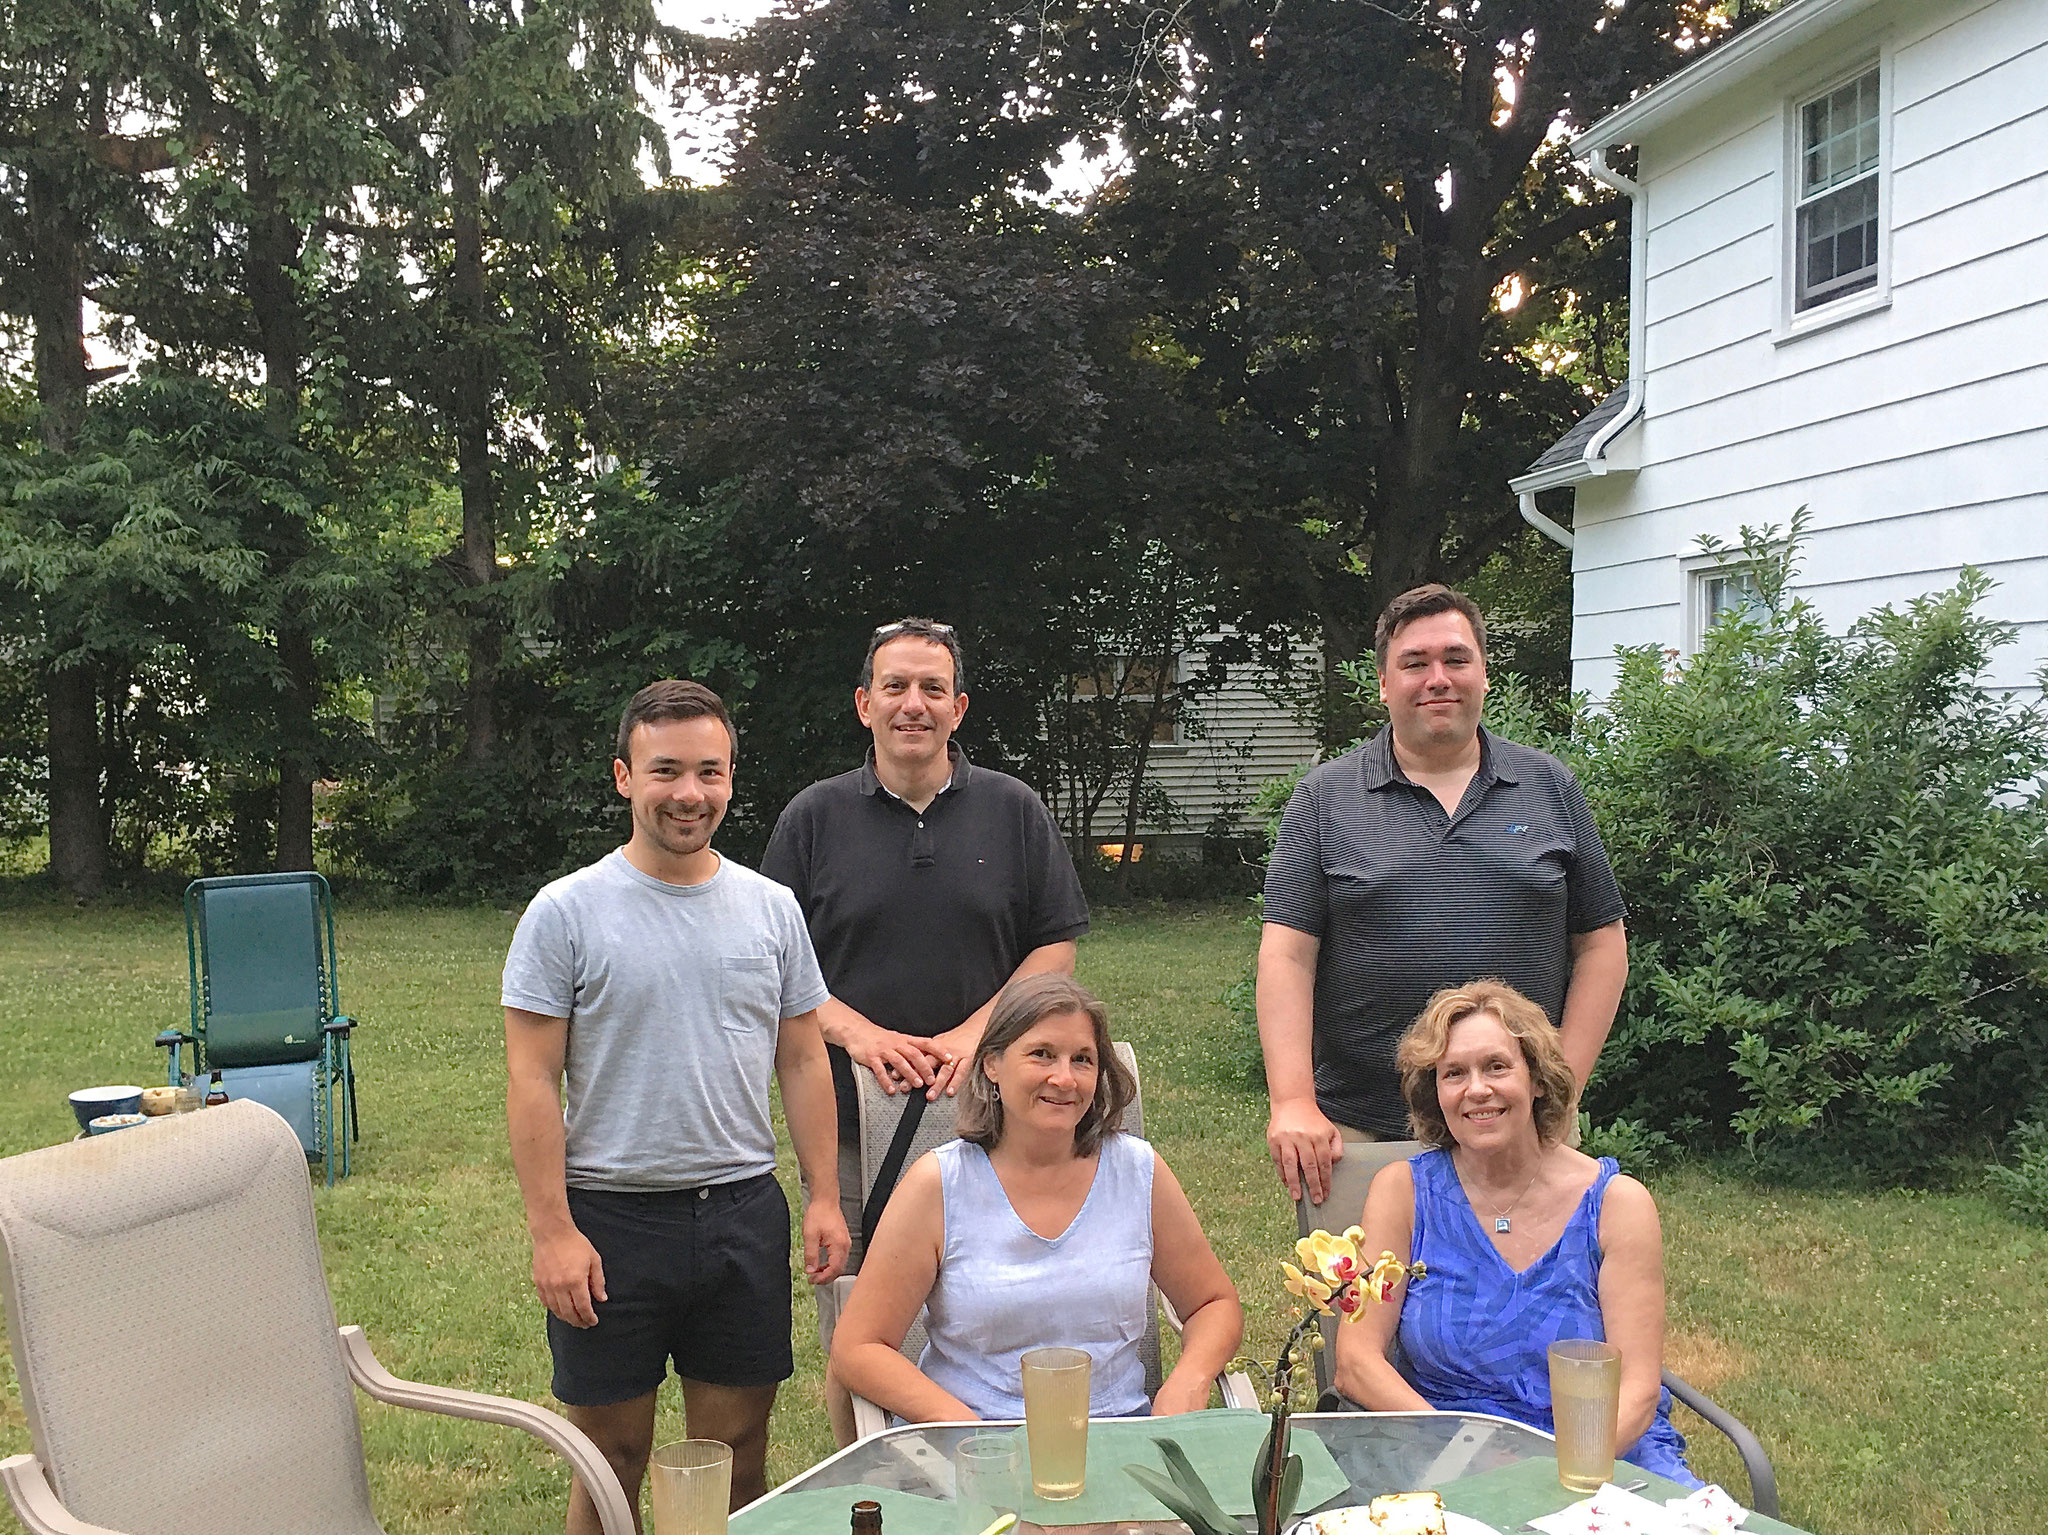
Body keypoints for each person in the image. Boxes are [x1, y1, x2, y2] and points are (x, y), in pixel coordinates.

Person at [502, 679, 849, 1532]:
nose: (689, 793)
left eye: (709, 771)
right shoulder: (566, 913)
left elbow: (803, 1056)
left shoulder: (771, 909)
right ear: (625, 776)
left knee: (735, 1457)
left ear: (731, 777)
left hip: (739, 1210)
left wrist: (824, 1195)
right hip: (612, 1221)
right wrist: (553, 1229)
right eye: (665, 771)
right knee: (611, 1460)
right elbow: (532, 1078)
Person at [761, 617, 1091, 1439]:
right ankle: (866, 1477)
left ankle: (991, 1446)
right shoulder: (811, 819)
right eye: (897, 688)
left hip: (986, 1113)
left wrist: (978, 1034)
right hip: (845, 1115)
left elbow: (1055, 944)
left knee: (986, 1290)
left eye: (932, 689)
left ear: (960, 706)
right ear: (864, 704)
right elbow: (771, 962)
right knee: (858, 1314)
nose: (915, 704)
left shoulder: (1013, 810)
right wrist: (859, 1034)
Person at [1258, 583, 1629, 1205]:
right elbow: (1286, 956)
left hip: (1516, 1131)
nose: (1439, 678)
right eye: (1415, 663)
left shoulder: (1550, 787)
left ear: (1484, 673)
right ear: (1383, 683)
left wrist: (1561, 1092)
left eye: (1457, 659)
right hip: (1360, 1132)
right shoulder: (1325, 798)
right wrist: (1293, 1101)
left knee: (1521, 1301)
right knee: (1366, 1302)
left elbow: (1602, 948)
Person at [828, 973, 1244, 1422]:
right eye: (1041, 1054)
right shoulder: (939, 1185)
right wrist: (966, 1429)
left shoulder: (1138, 1173)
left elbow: (1212, 1304)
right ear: (991, 1065)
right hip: (975, 1452)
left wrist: (1189, 1380)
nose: (1064, 1078)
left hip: (1118, 1445)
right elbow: (858, 1347)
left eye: (1082, 1059)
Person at [1332, 979, 1697, 1488]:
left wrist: (1552, 1476)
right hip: (1445, 1454)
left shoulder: (1616, 1205)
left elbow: (1637, 1391)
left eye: (1497, 1066)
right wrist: (1464, 1456)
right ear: (1436, 1094)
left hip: (1597, 1455)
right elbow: (1355, 1361)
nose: (1476, 1089)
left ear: (1538, 1079)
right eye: (1453, 1073)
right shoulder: (1404, 1194)